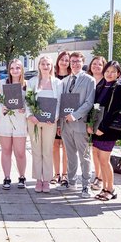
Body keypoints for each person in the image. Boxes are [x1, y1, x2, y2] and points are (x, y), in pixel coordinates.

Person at [58, 52, 95, 198]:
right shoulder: (65, 81)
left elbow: (89, 102)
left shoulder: (89, 80)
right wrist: (61, 124)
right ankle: (71, 182)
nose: (75, 64)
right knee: (70, 155)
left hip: (80, 124)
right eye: (72, 61)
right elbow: (62, 102)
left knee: (84, 156)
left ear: (83, 62)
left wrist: (75, 115)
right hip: (66, 125)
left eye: (78, 61)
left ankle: (86, 185)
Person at [86, 61, 121, 201]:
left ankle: (111, 189)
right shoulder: (101, 86)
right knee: (96, 156)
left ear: (118, 74)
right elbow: (94, 107)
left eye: (113, 72)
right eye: (107, 71)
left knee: (104, 160)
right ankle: (104, 188)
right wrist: (91, 125)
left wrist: (102, 128)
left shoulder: (119, 88)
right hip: (96, 128)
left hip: (107, 130)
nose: (110, 74)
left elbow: (113, 111)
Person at [27, 56, 62, 193]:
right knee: (36, 151)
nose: (45, 66)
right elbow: (28, 100)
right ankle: (38, 180)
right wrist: (30, 115)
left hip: (50, 122)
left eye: (48, 64)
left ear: (52, 66)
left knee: (47, 151)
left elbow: (59, 102)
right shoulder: (32, 82)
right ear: (39, 66)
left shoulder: (58, 83)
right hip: (34, 122)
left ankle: (46, 180)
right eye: (43, 63)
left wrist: (55, 117)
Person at [0, 59, 27, 190]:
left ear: (21, 69)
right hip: (4, 121)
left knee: (20, 152)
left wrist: (25, 109)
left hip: (20, 121)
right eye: (12, 68)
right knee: (6, 150)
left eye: (18, 67)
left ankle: (22, 177)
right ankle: (6, 177)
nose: (15, 70)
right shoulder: (2, 84)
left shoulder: (26, 85)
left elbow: (30, 103)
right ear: (9, 70)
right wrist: (2, 108)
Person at [87, 56, 107, 191]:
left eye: (99, 64)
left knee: (102, 152)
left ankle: (101, 178)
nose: (96, 66)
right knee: (93, 150)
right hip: (89, 119)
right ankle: (97, 175)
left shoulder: (106, 82)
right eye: (94, 64)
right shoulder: (88, 80)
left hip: (102, 120)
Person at [51, 51, 70, 185]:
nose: (64, 62)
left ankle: (65, 174)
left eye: (66, 60)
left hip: (68, 117)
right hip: (53, 116)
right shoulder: (52, 77)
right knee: (55, 146)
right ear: (57, 61)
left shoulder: (71, 78)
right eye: (62, 59)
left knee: (67, 147)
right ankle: (56, 173)